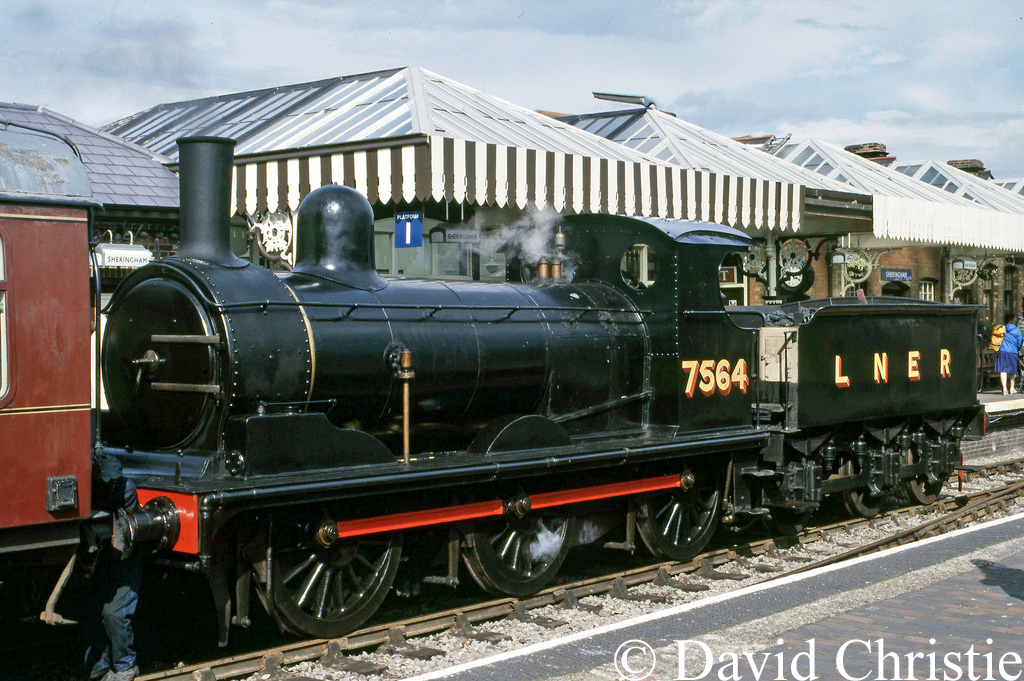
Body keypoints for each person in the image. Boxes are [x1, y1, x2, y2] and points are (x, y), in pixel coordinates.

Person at [82, 453, 143, 681]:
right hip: (105, 560)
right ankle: (99, 664)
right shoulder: (98, 485)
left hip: (125, 560)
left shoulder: (126, 489)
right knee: (92, 608)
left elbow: (120, 526)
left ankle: (126, 666)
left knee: (115, 613)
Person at [995, 312, 1023, 395]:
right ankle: (1012, 388)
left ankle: (1004, 389)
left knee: (1003, 370)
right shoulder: (1017, 330)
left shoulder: (1001, 329)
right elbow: (1019, 342)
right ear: (1012, 320)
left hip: (1002, 351)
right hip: (1013, 352)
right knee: (1012, 371)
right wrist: (1017, 349)